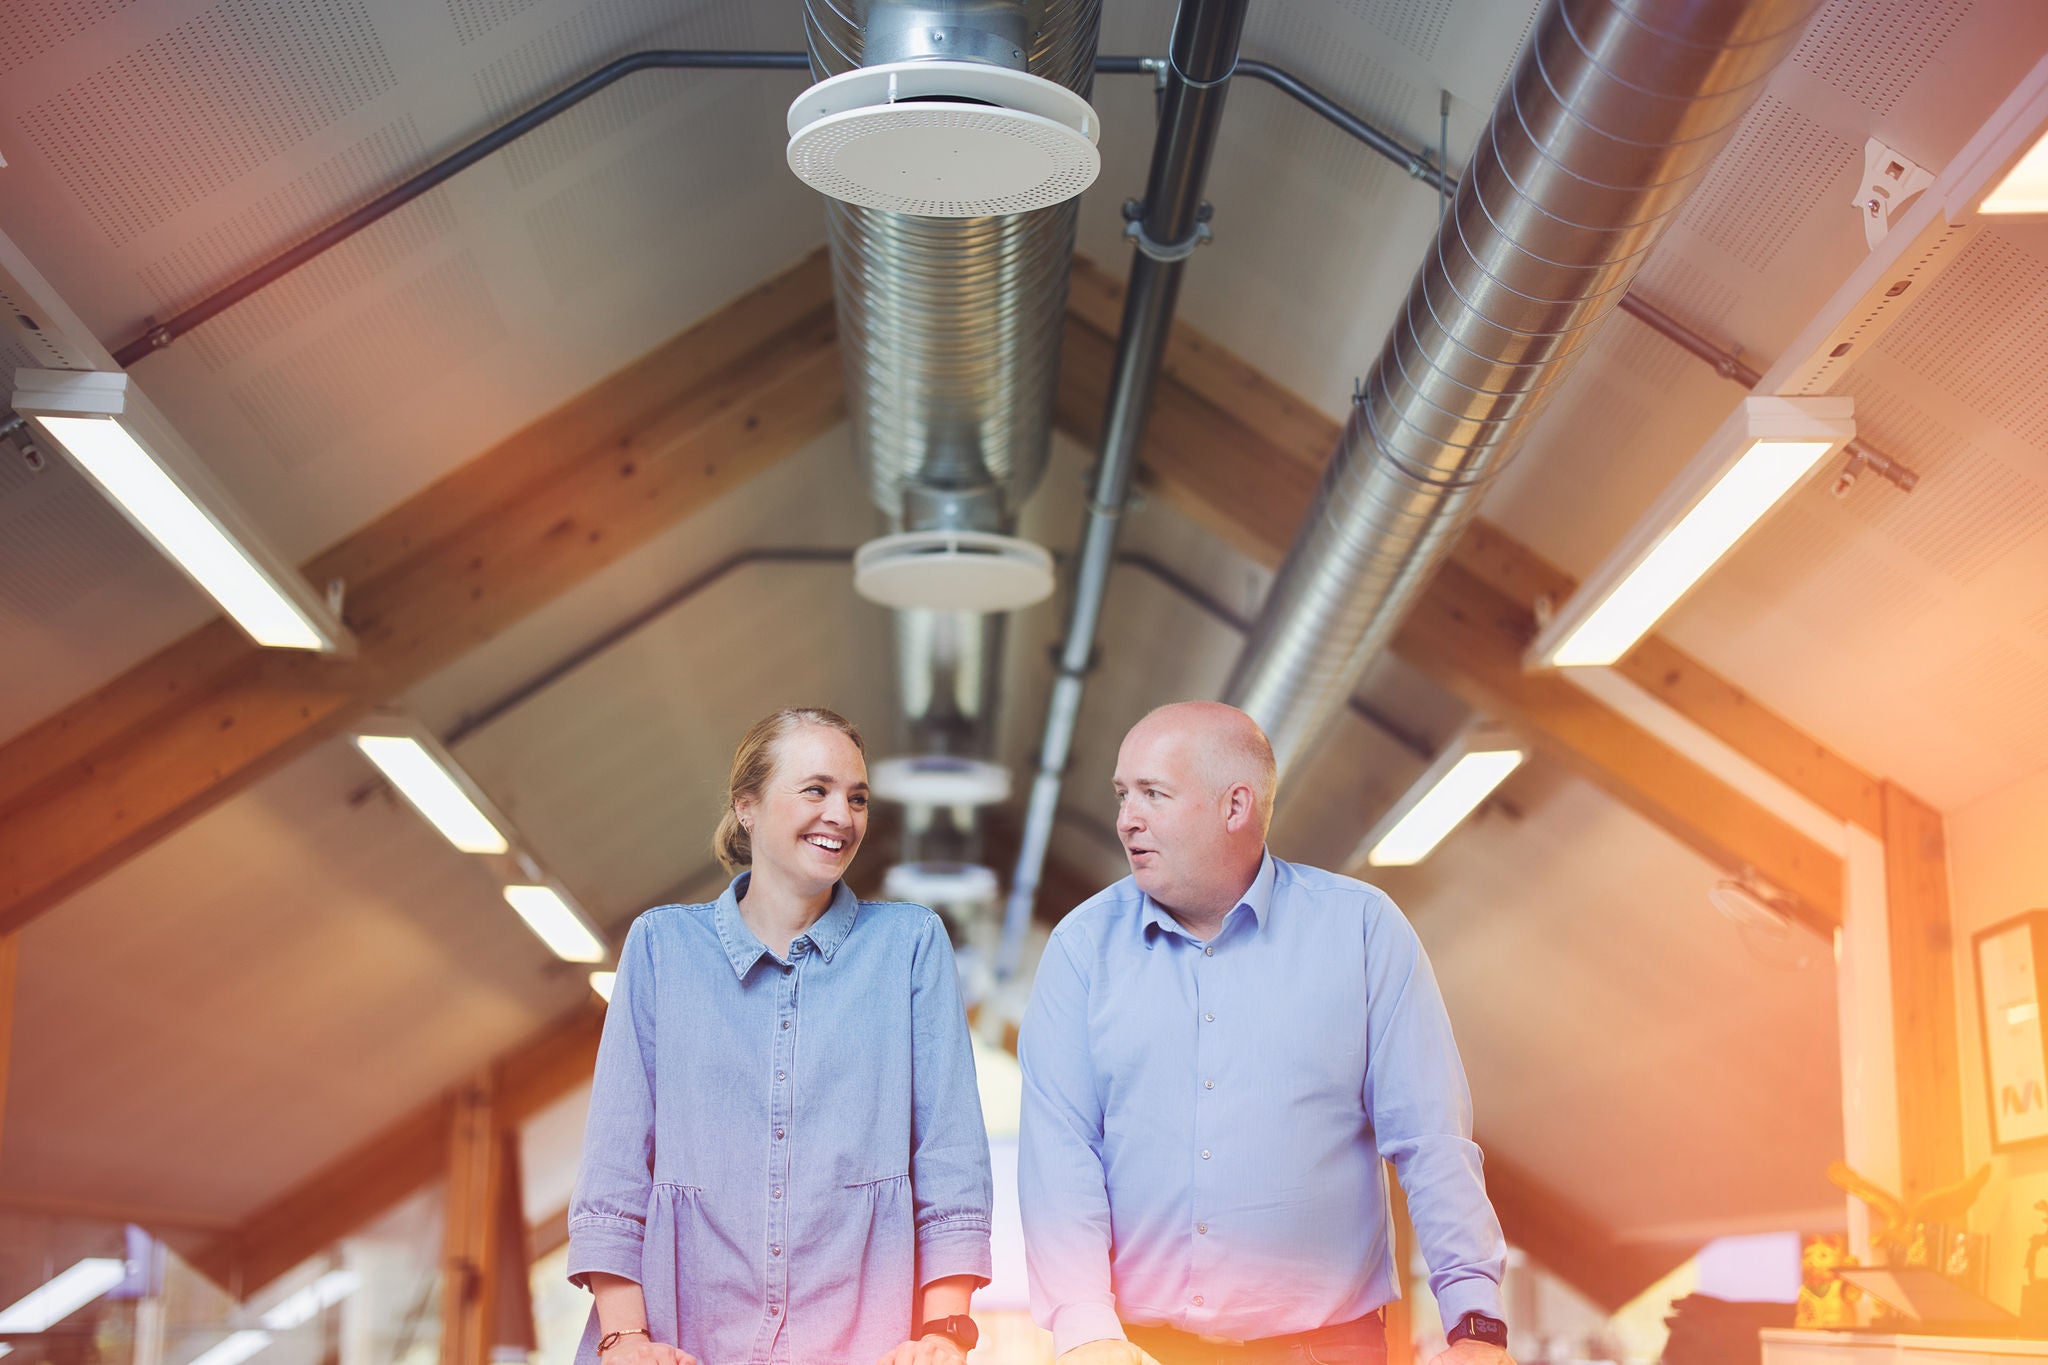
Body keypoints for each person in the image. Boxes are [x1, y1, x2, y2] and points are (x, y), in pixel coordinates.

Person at [1018, 701, 1517, 1365]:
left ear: (1236, 806)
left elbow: (1431, 1138)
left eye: (1153, 794)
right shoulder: (1081, 949)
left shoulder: (1363, 931)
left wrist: (1476, 1324)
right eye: (1122, 794)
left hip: (1328, 1348)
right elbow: (1060, 1153)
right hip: (1134, 1351)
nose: (1125, 818)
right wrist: (1084, 1329)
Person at [567, 707, 993, 1365]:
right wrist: (625, 1337)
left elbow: (950, 1155)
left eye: (857, 797)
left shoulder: (909, 943)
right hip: (682, 1341)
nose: (843, 816)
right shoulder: (661, 945)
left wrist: (945, 1331)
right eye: (816, 789)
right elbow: (617, 1160)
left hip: (867, 1342)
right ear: (748, 805)